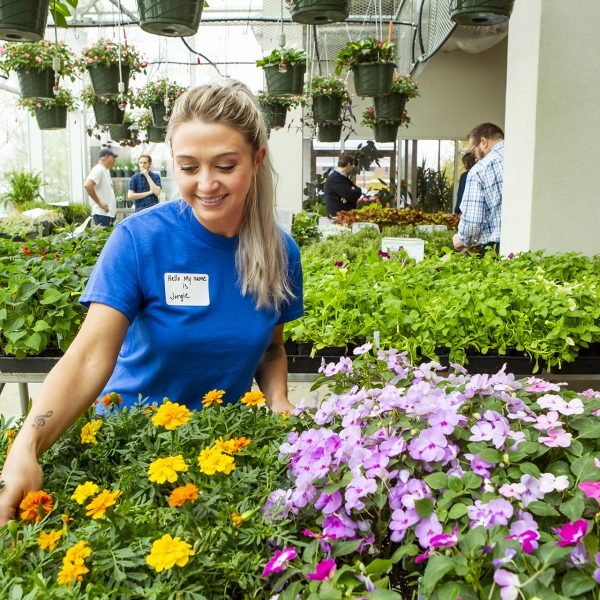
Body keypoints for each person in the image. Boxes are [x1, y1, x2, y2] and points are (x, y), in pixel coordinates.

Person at [0, 79, 304, 525]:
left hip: (221, 456)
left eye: (225, 165)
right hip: (129, 446)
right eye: (188, 167)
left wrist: (277, 398)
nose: (206, 184)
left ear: (257, 160)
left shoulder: (280, 253)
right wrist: (25, 448)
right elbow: (87, 358)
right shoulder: (139, 240)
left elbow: (272, 348)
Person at [452, 123, 504, 254]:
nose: (474, 156)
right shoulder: (523, 157)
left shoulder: (480, 170)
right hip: (526, 242)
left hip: (496, 248)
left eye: (473, 150)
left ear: (483, 142)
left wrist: (461, 239)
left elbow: (473, 222)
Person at [84, 146, 118, 227]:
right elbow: (88, 185)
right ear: (106, 156)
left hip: (107, 215)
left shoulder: (105, 170)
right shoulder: (98, 169)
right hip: (102, 214)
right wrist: (100, 204)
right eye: (113, 157)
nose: (114, 160)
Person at [323, 153, 363, 218]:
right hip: (338, 219)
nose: (353, 167)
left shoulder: (341, 177)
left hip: (343, 218)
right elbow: (351, 195)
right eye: (353, 164)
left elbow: (357, 191)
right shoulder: (335, 178)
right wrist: (350, 193)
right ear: (348, 164)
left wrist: (348, 195)